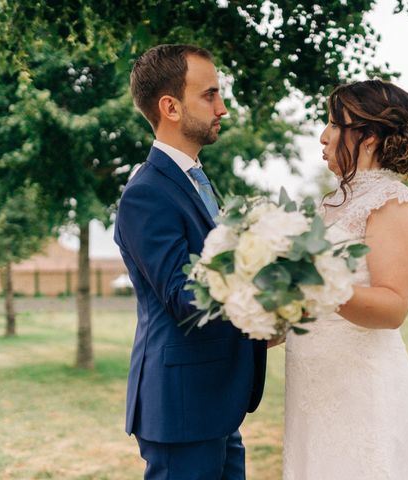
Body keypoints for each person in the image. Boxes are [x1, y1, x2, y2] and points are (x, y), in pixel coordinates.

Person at [113, 44, 267, 480]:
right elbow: (185, 297)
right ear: (171, 107)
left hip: (215, 403)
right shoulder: (147, 193)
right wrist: (262, 287)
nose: (222, 107)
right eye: (210, 95)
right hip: (182, 408)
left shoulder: (194, 180)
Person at [283, 80, 408, 479]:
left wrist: (318, 280)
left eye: (334, 124)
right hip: (314, 386)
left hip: (362, 388)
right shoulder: (329, 204)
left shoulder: (393, 203)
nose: (323, 136)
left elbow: (392, 307)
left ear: (366, 136)